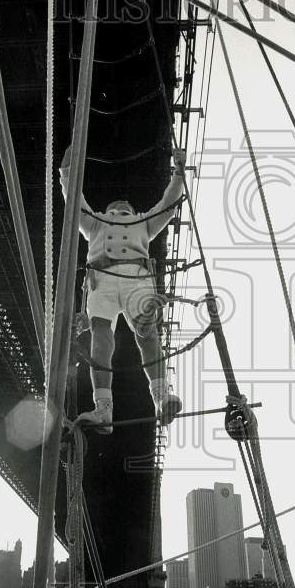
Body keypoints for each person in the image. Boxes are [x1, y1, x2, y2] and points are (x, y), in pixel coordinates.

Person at [59, 145, 186, 433]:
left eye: (125, 208)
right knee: (101, 341)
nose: (121, 208)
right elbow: (75, 202)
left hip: (134, 276)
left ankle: (162, 397)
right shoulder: (95, 222)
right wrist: (66, 174)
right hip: (101, 280)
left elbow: (167, 206)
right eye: (116, 208)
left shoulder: (142, 221)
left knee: (146, 334)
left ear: (132, 211)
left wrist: (178, 174)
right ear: (106, 211)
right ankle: (103, 408)